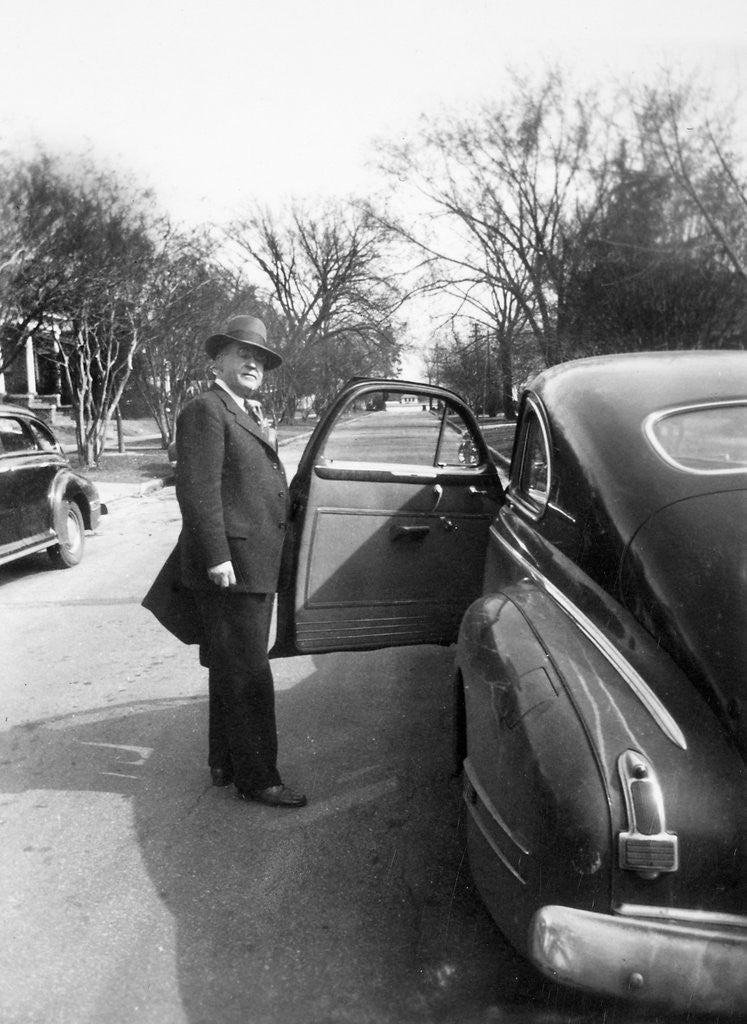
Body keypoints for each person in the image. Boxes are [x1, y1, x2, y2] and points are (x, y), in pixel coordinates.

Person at [170, 314, 305, 809]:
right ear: (219, 359)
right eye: (242, 353)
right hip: (233, 568)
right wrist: (217, 557)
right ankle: (259, 778)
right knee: (249, 675)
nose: (253, 362)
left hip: (254, 564)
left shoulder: (244, 411)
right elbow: (197, 491)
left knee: (231, 667)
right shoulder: (206, 410)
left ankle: (226, 763)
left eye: (261, 358)